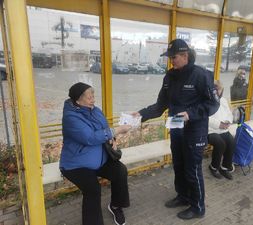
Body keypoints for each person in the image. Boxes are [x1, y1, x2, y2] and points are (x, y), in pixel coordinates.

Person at [131, 39, 220, 220]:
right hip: (176, 129)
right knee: (179, 166)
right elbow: (160, 105)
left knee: (192, 169)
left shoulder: (201, 75)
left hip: (195, 131)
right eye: (170, 57)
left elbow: (213, 104)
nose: (171, 60)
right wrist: (140, 115)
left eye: (174, 57)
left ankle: (198, 207)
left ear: (185, 56)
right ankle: (183, 196)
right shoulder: (169, 76)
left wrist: (191, 114)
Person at [59, 82, 131, 225]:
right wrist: (116, 131)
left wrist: (113, 139)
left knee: (120, 171)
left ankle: (116, 206)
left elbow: (105, 129)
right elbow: (89, 137)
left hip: (99, 158)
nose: (93, 99)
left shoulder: (95, 110)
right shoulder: (70, 117)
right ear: (77, 100)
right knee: (92, 188)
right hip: (76, 164)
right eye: (89, 97)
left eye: (93, 95)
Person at [208, 80, 235, 180]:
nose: (217, 92)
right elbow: (205, 118)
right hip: (209, 130)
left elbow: (229, 114)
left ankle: (224, 167)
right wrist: (219, 124)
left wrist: (228, 121)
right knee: (220, 144)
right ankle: (213, 167)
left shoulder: (223, 100)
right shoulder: (206, 100)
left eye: (219, 89)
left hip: (223, 129)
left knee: (231, 141)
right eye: (215, 89)